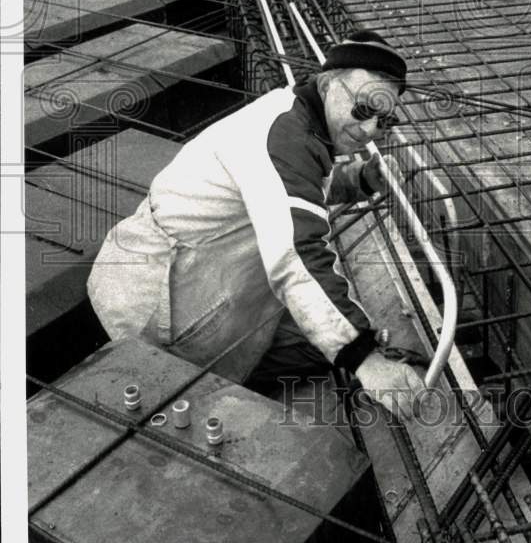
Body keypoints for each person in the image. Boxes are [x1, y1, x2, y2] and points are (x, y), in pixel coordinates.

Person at [87, 31, 425, 419]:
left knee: (324, 341)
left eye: (385, 121)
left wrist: (360, 180)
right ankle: (197, 385)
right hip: (160, 298)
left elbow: (292, 192)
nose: (369, 130)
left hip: (189, 272)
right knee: (338, 347)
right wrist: (368, 361)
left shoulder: (298, 116)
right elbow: (298, 255)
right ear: (330, 84)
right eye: (363, 109)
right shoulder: (284, 136)